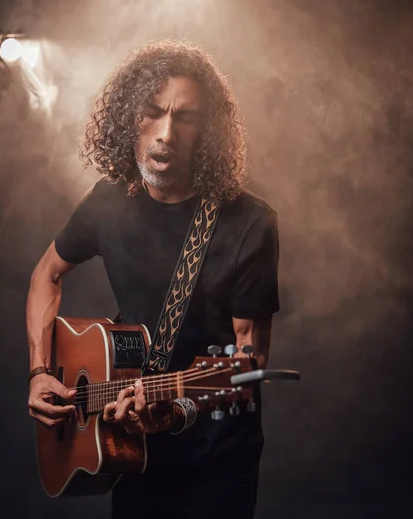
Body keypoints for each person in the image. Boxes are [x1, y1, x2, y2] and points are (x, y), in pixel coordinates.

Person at [26, 40, 279, 519]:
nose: (167, 133)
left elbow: (250, 358)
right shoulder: (106, 201)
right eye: (152, 112)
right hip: (127, 448)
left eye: (186, 117)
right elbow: (46, 275)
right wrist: (40, 372)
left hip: (215, 457)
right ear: (128, 118)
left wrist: (176, 410)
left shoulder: (250, 223)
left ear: (207, 130)